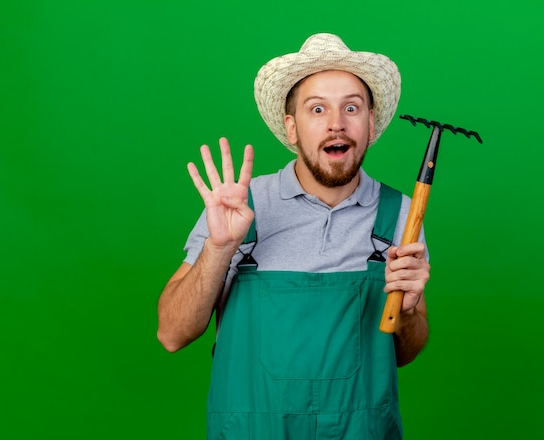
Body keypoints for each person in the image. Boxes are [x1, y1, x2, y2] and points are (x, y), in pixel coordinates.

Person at [157, 33, 430, 439]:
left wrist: (407, 311)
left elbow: (405, 351)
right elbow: (171, 334)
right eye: (317, 108)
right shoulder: (239, 207)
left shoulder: (402, 215)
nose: (336, 122)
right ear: (292, 128)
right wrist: (219, 248)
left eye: (351, 107)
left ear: (370, 124)